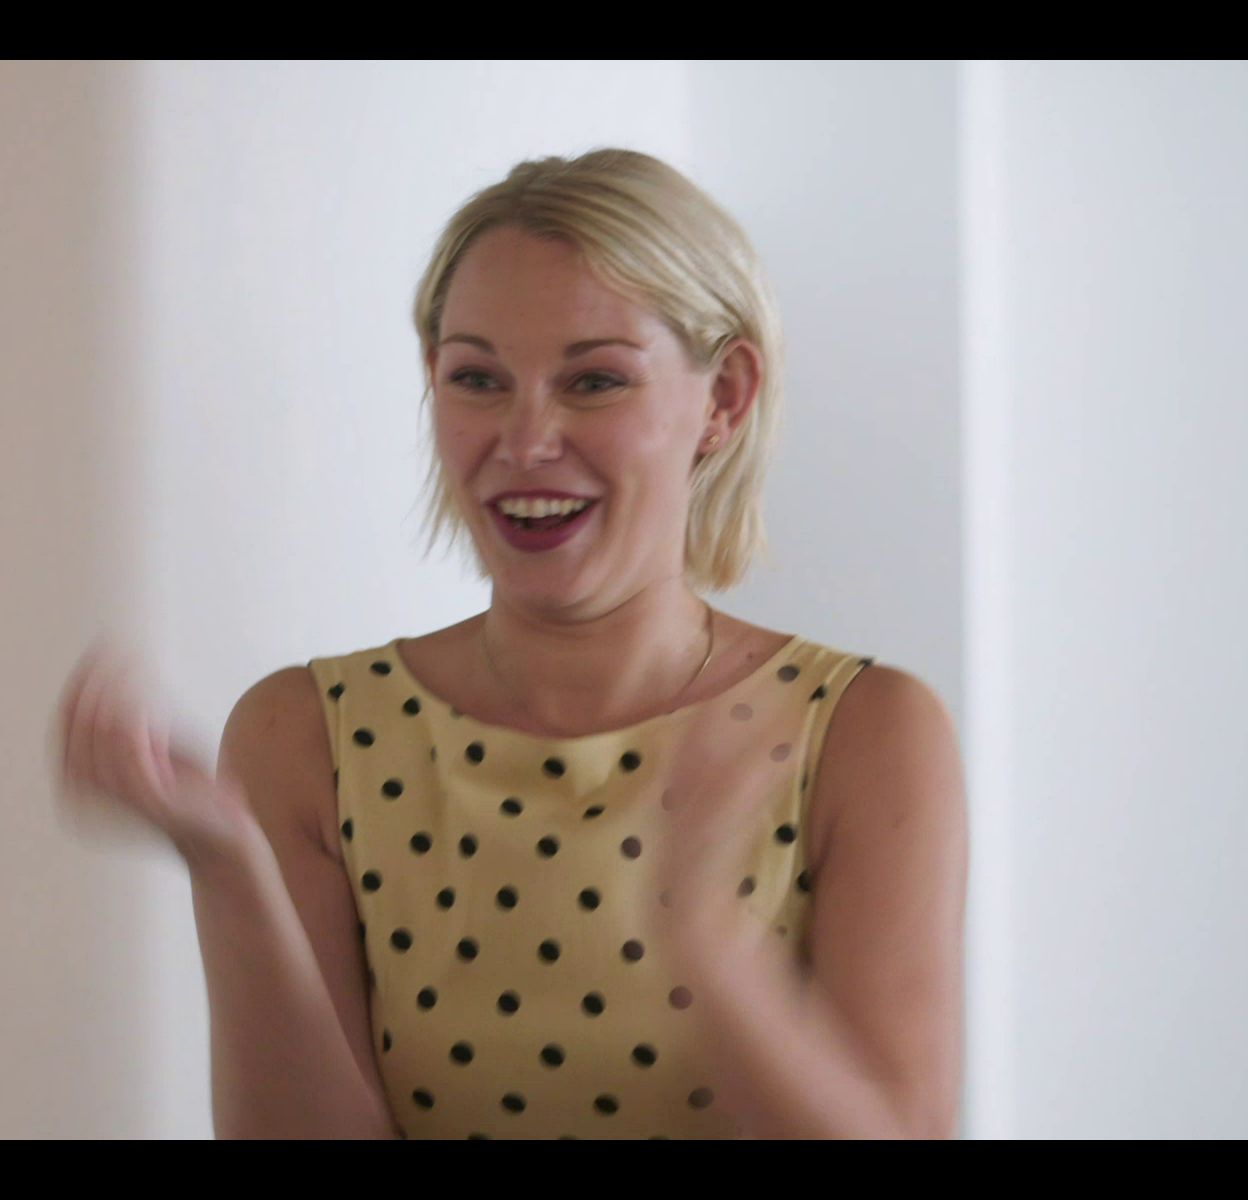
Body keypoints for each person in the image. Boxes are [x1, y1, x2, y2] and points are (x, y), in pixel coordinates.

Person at [52, 148, 967, 1139]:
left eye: (595, 381)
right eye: (478, 378)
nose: (525, 441)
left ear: (725, 398)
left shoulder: (865, 733)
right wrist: (228, 870)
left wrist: (712, 945)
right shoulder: (306, 736)